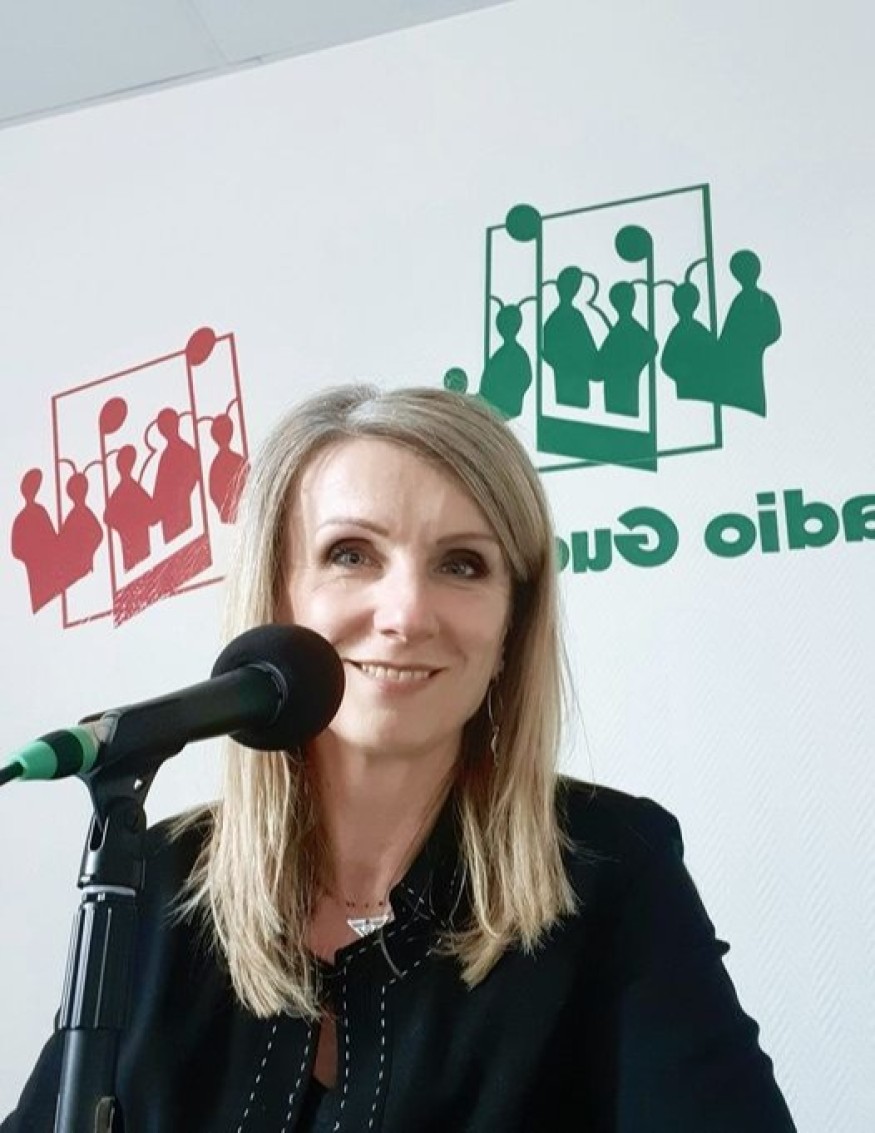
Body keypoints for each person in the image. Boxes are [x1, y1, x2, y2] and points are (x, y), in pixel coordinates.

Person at [2, 385, 796, 1132]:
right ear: (276, 598)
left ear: (510, 628)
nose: (407, 614)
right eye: (351, 554)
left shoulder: (613, 867)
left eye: (462, 564)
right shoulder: (151, 878)